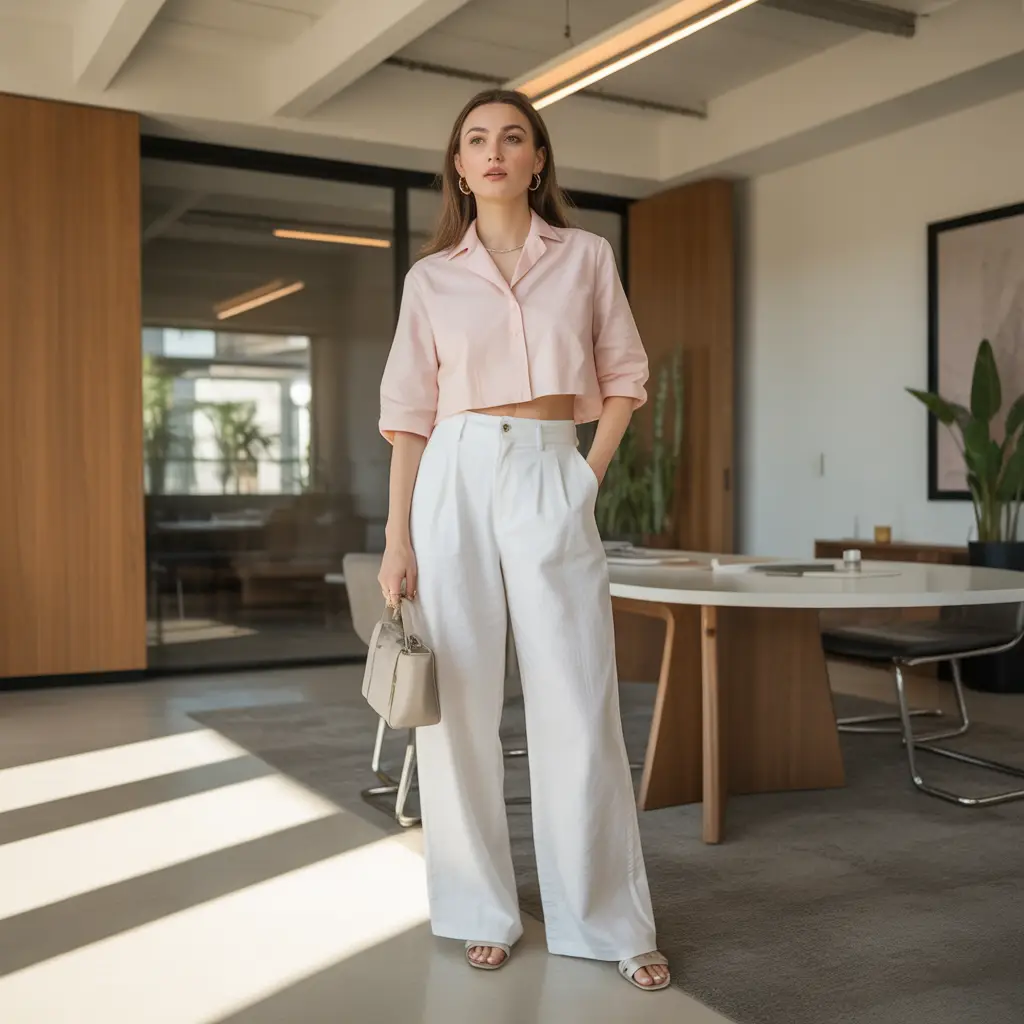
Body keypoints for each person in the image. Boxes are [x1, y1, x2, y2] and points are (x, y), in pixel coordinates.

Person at [377, 87, 670, 992]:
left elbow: (625, 375)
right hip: (453, 475)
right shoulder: (429, 280)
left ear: (538, 160)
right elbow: (408, 416)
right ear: (459, 169)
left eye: (514, 137)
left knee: (577, 695)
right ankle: (478, 909)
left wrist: (585, 474)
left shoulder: (586, 256)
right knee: (458, 705)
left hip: (551, 466)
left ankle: (607, 919)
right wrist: (397, 537)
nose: (495, 151)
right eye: (477, 139)